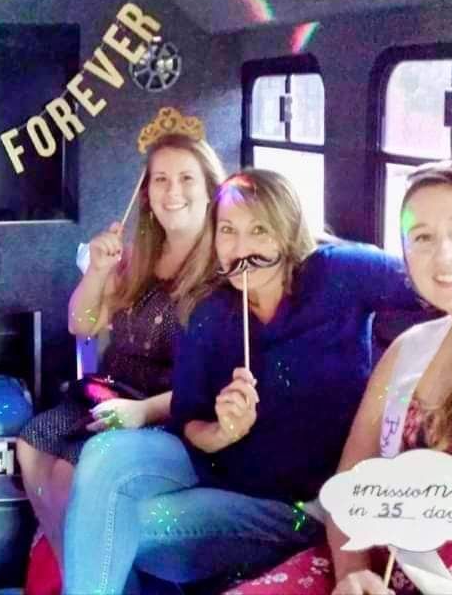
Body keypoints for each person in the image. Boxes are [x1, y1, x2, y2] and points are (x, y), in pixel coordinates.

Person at [62, 169, 422, 594]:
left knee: (117, 527)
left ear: (287, 234)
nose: (240, 248)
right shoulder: (212, 312)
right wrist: (221, 431)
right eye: (228, 231)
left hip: (301, 506)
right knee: (105, 455)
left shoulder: (341, 274)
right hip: (220, 472)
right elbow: (187, 423)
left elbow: (431, 287)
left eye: (259, 231)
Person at [224, 161, 452, 595]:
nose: (443, 254)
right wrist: (351, 573)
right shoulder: (408, 352)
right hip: (372, 571)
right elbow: (350, 484)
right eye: (422, 237)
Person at [17, 110, 226, 562]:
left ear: (210, 188)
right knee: (31, 443)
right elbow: (82, 323)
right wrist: (97, 272)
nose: (173, 192)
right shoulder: (138, 256)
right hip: (110, 394)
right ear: (146, 194)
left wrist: (140, 411)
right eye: (160, 180)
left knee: (65, 477)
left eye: (187, 179)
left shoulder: (222, 272)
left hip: (169, 410)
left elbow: (211, 382)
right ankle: (69, 562)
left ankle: (94, 573)